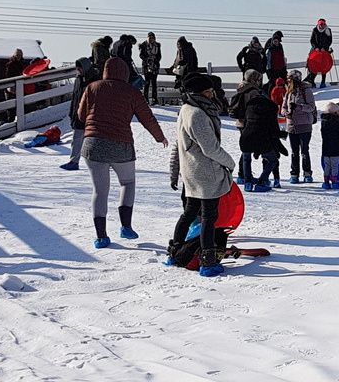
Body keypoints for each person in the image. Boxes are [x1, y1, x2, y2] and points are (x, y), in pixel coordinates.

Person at [76, 56, 167, 249]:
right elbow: (147, 117)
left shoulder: (92, 87)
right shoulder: (132, 92)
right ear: (125, 73)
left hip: (93, 145)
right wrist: (159, 137)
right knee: (127, 182)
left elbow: (81, 115)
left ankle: (101, 237)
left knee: (100, 191)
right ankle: (126, 226)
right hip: (121, 145)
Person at [166, 71, 236, 277]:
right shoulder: (197, 114)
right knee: (208, 218)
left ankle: (174, 252)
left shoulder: (185, 109)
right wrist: (230, 163)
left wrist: (177, 171)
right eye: (209, 91)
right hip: (205, 174)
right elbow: (211, 148)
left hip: (191, 172)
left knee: (189, 213)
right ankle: (208, 261)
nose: (212, 95)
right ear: (202, 92)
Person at [238, 74, 284, 191]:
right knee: (273, 160)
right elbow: (274, 128)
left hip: (246, 137)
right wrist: (281, 135)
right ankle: (262, 181)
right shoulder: (270, 108)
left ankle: (247, 183)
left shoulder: (250, 107)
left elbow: (246, 122)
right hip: (262, 139)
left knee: (246, 158)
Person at [61, 55, 99, 169]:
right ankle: (74, 161)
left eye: (80, 68)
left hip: (91, 115)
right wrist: (72, 112)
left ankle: (103, 162)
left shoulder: (94, 80)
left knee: (95, 141)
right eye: (77, 68)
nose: (78, 70)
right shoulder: (78, 80)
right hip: (78, 115)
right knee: (77, 139)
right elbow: (75, 97)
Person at [285, 69, 317, 182]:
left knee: (304, 150)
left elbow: (311, 107)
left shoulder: (306, 91)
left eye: (290, 79)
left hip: (304, 124)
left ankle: (307, 173)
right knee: (294, 152)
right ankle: (294, 174)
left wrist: (299, 107)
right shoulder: (288, 92)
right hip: (292, 125)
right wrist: (286, 113)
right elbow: (283, 108)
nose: (288, 81)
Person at [318, 100, 339, 188]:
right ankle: (334, 182)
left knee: (327, 166)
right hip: (335, 148)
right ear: (335, 112)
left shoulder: (324, 122)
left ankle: (326, 182)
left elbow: (323, 135)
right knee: (335, 166)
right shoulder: (337, 122)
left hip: (326, 149)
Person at [309, 17, 333, 88]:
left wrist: (324, 48)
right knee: (313, 65)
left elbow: (329, 40)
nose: (321, 26)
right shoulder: (315, 30)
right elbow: (312, 40)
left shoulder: (328, 30)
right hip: (315, 50)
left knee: (324, 66)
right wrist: (315, 47)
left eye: (323, 24)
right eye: (320, 24)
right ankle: (312, 82)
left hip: (324, 50)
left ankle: (323, 82)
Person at [139, 32, 162, 104]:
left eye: (152, 38)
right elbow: (141, 55)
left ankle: (154, 98)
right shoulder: (143, 45)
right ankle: (146, 98)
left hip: (155, 65)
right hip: (147, 65)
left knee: (154, 82)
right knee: (147, 82)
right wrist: (147, 60)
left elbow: (159, 55)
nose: (151, 39)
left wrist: (155, 60)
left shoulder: (157, 45)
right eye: (150, 38)